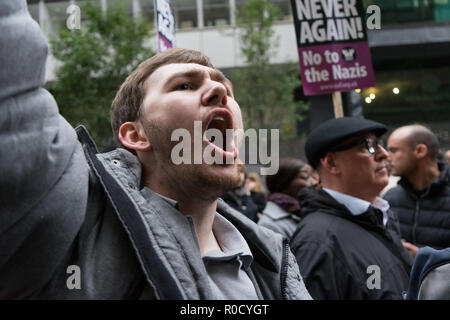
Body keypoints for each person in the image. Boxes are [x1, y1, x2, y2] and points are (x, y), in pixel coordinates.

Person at [0, 0, 311, 300]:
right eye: (184, 85)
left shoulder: (274, 258)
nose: (219, 91)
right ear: (136, 134)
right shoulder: (81, 226)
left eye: (226, 90)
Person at [289, 117, 413, 300]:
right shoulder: (317, 241)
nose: (384, 155)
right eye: (368, 146)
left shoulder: (381, 217)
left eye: (380, 145)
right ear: (331, 163)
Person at [384, 124, 450, 258]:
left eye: (394, 150)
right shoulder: (390, 197)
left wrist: (427, 258)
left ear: (420, 151)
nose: (387, 157)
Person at [258, 158, 317, 238]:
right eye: (306, 178)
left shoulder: (306, 209)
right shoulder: (269, 226)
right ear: (285, 185)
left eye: (312, 177)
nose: (315, 182)